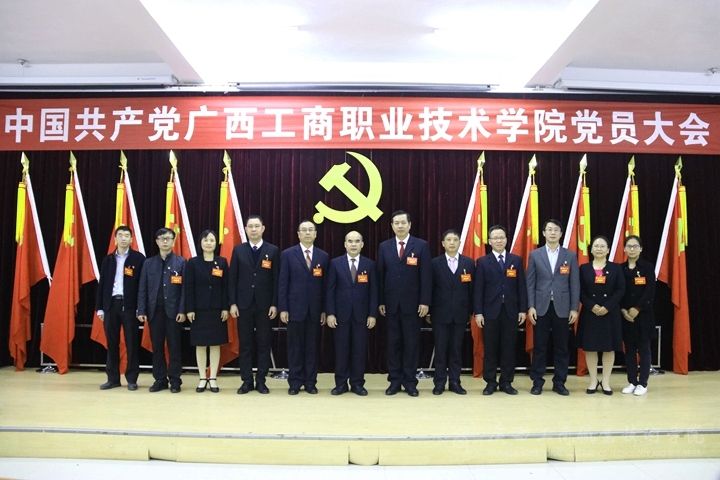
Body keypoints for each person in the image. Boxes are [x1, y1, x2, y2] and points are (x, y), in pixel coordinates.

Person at [377, 210, 431, 397]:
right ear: (392, 226)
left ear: (409, 225)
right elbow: (380, 276)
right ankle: (394, 381)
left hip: (413, 306)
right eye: (396, 223)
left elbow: (426, 276)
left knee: (411, 344)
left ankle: (410, 382)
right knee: (393, 344)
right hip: (390, 305)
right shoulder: (384, 247)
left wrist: (425, 301)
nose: (400, 226)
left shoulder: (421, 246)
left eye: (403, 223)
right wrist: (381, 301)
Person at [527, 219, 580, 396]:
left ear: (561, 233)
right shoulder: (535, 255)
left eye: (556, 230)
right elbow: (530, 283)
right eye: (549, 229)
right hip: (540, 307)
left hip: (563, 307)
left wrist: (574, 308)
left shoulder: (569, 255)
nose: (552, 233)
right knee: (540, 347)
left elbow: (574, 283)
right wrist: (531, 306)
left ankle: (559, 382)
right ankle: (537, 382)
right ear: (543, 233)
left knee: (562, 347)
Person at [228, 215, 279, 395]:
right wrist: (233, 303)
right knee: (246, 345)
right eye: (251, 226)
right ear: (246, 229)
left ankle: (261, 381)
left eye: (257, 226)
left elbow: (276, 280)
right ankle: (247, 381)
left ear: (263, 228)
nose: (254, 229)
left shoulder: (273, 250)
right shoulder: (238, 250)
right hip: (243, 305)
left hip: (265, 306)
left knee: (264, 344)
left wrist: (274, 304)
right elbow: (232, 279)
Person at [474, 225, 527, 395]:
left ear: (506, 239)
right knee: (490, 348)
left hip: (511, 311)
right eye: (495, 238)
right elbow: (478, 289)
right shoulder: (482, 262)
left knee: (509, 348)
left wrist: (522, 310)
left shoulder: (516, 260)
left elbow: (521, 287)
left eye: (501, 237)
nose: (498, 240)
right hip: (490, 312)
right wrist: (478, 312)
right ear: (489, 241)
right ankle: (490, 382)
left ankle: (506, 382)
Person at [278, 220, 329, 395]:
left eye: (310, 230)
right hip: (294, 310)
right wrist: (283, 308)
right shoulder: (287, 254)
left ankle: (310, 382)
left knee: (312, 348)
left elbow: (325, 287)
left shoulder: (323, 256)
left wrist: (324, 310)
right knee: (295, 348)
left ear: (315, 234)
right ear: (298, 234)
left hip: (315, 311)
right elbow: (283, 283)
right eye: (304, 230)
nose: (307, 233)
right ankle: (295, 382)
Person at [325, 231, 378, 396]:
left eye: (357, 241)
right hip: (340, 316)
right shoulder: (335, 263)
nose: (353, 244)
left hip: (362, 317)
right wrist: (330, 313)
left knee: (359, 351)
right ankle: (341, 384)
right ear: (345, 244)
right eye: (350, 241)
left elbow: (374, 292)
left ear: (362, 244)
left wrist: (372, 314)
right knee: (341, 351)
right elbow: (329, 290)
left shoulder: (370, 264)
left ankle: (357, 384)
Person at [95, 226, 146, 391]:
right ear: (115, 239)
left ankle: (132, 379)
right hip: (111, 305)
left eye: (127, 235)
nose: (124, 238)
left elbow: (142, 286)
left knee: (132, 343)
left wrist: (140, 308)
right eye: (120, 235)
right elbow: (102, 285)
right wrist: (100, 308)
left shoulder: (138, 259)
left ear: (131, 239)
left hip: (130, 306)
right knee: (112, 343)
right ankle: (113, 379)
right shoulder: (108, 260)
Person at [137, 227, 186, 393]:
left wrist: (182, 310)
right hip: (154, 312)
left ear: (173, 241)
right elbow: (142, 288)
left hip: (174, 312)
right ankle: (160, 379)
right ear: (157, 241)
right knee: (157, 347)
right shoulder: (148, 263)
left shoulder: (181, 262)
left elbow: (184, 290)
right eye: (161, 238)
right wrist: (141, 310)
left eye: (168, 238)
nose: (165, 241)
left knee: (174, 347)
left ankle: (175, 380)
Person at [578, 235, 625, 395]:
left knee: (609, 348)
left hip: (610, 313)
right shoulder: (584, 268)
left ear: (608, 250)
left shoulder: (616, 268)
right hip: (590, 313)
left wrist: (607, 306)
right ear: (591, 250)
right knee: (590, 348)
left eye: (602, 246)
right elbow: (580, 291)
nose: (599, 249)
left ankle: (605, 381)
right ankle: (593, 381)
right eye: (596, 246)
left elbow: (620, 290)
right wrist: (592, 306)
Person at [429, 229, 474, 395]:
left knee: (456, 349)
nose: (452, 242)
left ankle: (455, 382)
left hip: (461, 314)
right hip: (440, 314)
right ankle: (439, 383)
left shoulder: (469, 263)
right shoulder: (434, 263)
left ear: (460, 243)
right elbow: (430, 289)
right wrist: (429, 311)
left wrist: (471, 311)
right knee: (441, 350)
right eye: (449, 240)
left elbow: (472, 290)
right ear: (443, 243)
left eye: (455, 239)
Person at [185, 230, 229, 394]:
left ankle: (213, 378)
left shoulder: (222, 262)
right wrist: (189, 309)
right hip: (199, 310)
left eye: (211, 240)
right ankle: (203, 377)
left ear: (216, 243)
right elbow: (188, 287)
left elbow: (226, 287)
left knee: (215, 344)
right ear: (201, 243)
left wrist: (225, 307)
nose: (208, 243)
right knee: (201, 344)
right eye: (205, 240)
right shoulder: (193, 263)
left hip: (217, 310)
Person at [620, 235, 656, 396]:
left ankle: (643, 383)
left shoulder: (647, 267)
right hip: (625, 315)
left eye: (635, 246)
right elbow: (618, 291)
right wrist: (623, 310)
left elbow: (650, 291)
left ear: (641, 249)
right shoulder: (620, 268)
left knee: (644, 349)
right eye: (629, 246)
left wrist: (637, 308)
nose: (632, 249)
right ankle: (632, 381)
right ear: (624, 249)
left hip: (643, 315)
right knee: (629, 350)